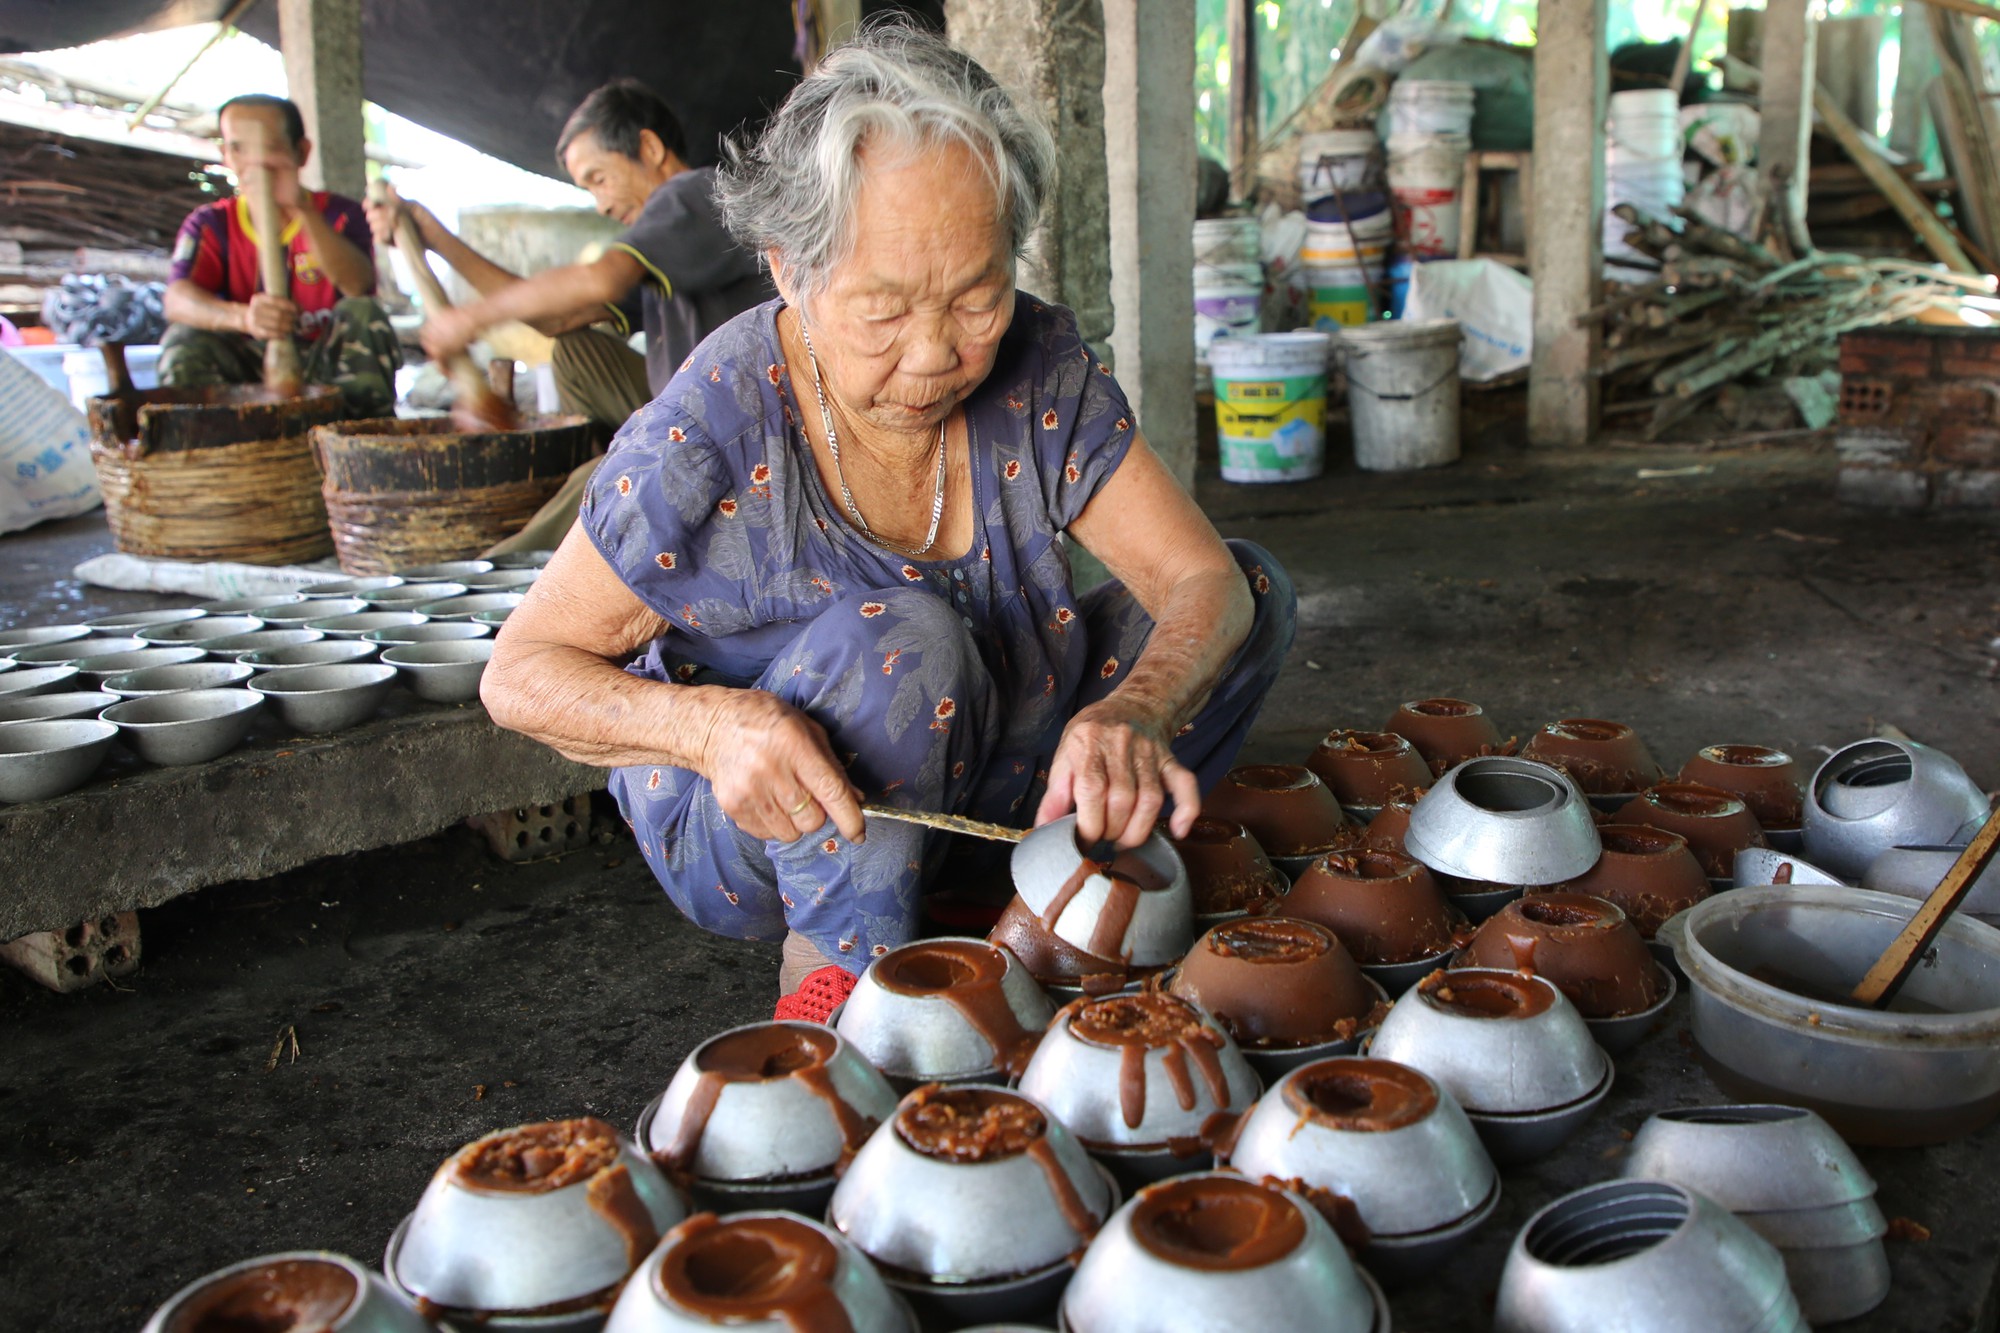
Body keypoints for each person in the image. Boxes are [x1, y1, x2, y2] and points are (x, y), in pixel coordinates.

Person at [479, 23, 1297, 1023]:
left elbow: (1202, 581)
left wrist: (1136, 712)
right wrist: (711, 728)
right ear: (789, 270)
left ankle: (1049, 889)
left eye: (976, 299)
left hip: (994, 770)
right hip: (771, 821)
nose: (934, 353)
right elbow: (519, 673)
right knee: (906, 637)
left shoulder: (1039, 367)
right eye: (882, 311)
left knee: (1251, 593)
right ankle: (841, 982)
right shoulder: (711, 426)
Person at [368, 79, 771, 553]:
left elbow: (601, 280)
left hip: (739, 429)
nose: (601, 204)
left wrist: (471, 319)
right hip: (691, 421)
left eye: (599, 178)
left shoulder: (693, 193)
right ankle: (620, 472)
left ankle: (504, 564)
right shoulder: (664, 248)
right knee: (575, 349)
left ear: (649, 148)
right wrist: (435, 238)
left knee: (597, 485)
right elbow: (555, 319)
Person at [161, 94, 398, 417]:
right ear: (225, 155)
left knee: (365, 312)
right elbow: (176, 300)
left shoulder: (341, 215)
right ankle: (220, 440)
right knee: (183, 338)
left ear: (301, 152)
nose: (255, 162)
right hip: (248, 375)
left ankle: (360, 438)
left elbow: (358, 286)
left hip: (326, 370)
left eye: (269, 147)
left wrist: (301, 208)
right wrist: (245, 318)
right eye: (238, 148)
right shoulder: (211, 224)